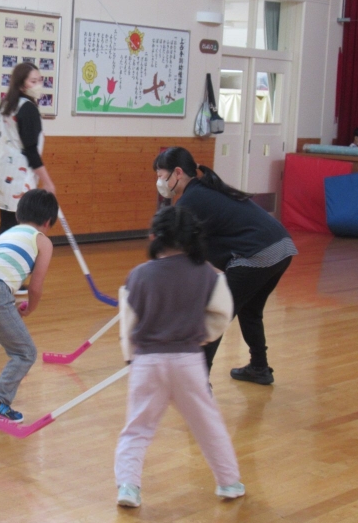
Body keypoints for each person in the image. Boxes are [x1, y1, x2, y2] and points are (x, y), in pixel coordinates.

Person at [115, 206, 244, 508]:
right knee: (207, 424)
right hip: (188, 362)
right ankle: (228, 482)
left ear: (153, 237)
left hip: (147, 364)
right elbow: (221, 315)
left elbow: (128, 326)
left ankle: (128, 487)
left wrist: (131, 358)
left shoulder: (138, 275)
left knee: (137, 428)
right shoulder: (208, 274)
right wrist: (201, 336)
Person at [154, 147, 297, 385]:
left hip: (256, 255)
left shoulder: (190, 201)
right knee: (250, 310)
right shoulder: (206, 188)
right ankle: (259, 368)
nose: (159, 182)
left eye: (161, 175)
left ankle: (199, 384)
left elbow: (176, 251)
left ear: (177, 172)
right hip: (281, 247)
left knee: (213, 314)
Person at [0, 189, 58, 423]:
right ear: (48, 222)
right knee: (25, 353)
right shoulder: (43, 241)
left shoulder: (8, 233)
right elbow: (35, 288)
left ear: (18, 215)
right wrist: (30, 307)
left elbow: (1, 269)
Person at [0, 62, 56, 237]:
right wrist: (48, 182)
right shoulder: (28, 109)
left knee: (8, 227)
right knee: (20, 230)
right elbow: (31, 150)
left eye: (40, 80)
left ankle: (1, 255)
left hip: (3, 176)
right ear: (21, 85)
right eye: (33, 81)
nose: (38, 85)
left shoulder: (6, 105)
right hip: (19, 179)